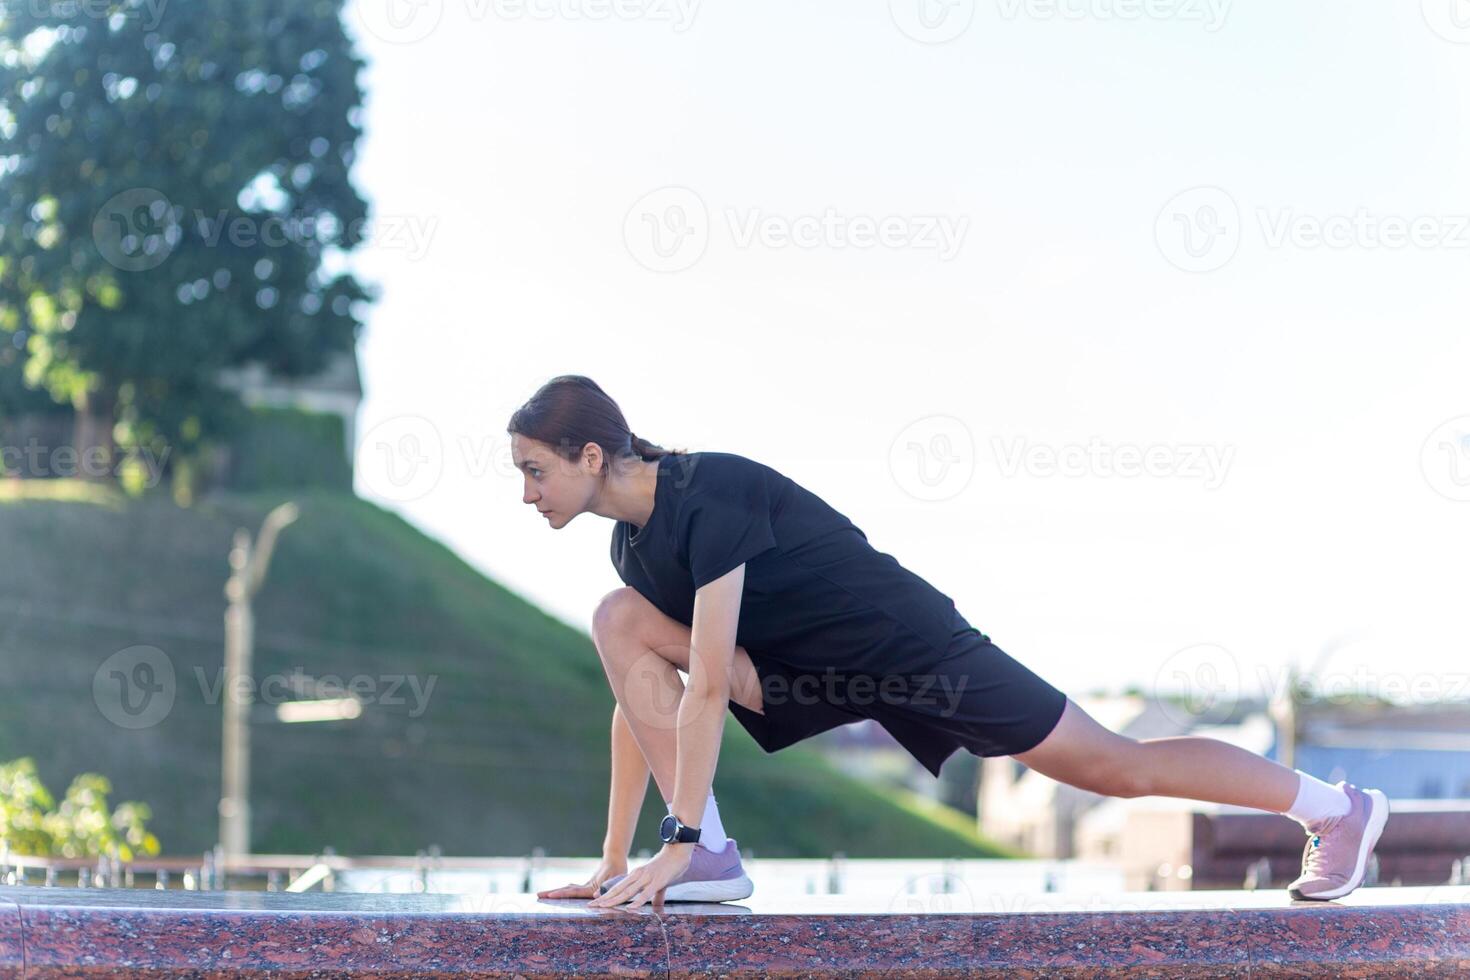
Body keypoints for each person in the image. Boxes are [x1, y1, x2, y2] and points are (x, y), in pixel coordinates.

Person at [517, 375, 1390, 910]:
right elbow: (642, 699)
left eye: (535, 470)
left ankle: (1336, 809)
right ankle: (705, 850)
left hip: (908, 648)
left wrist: (667, 839)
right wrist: (615, 856)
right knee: (617, 619)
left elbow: (706, 687)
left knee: (1116, 766)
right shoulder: (629, 546)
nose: (527, 493)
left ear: (591, 454)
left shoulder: (711, 492)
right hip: (797, 670)